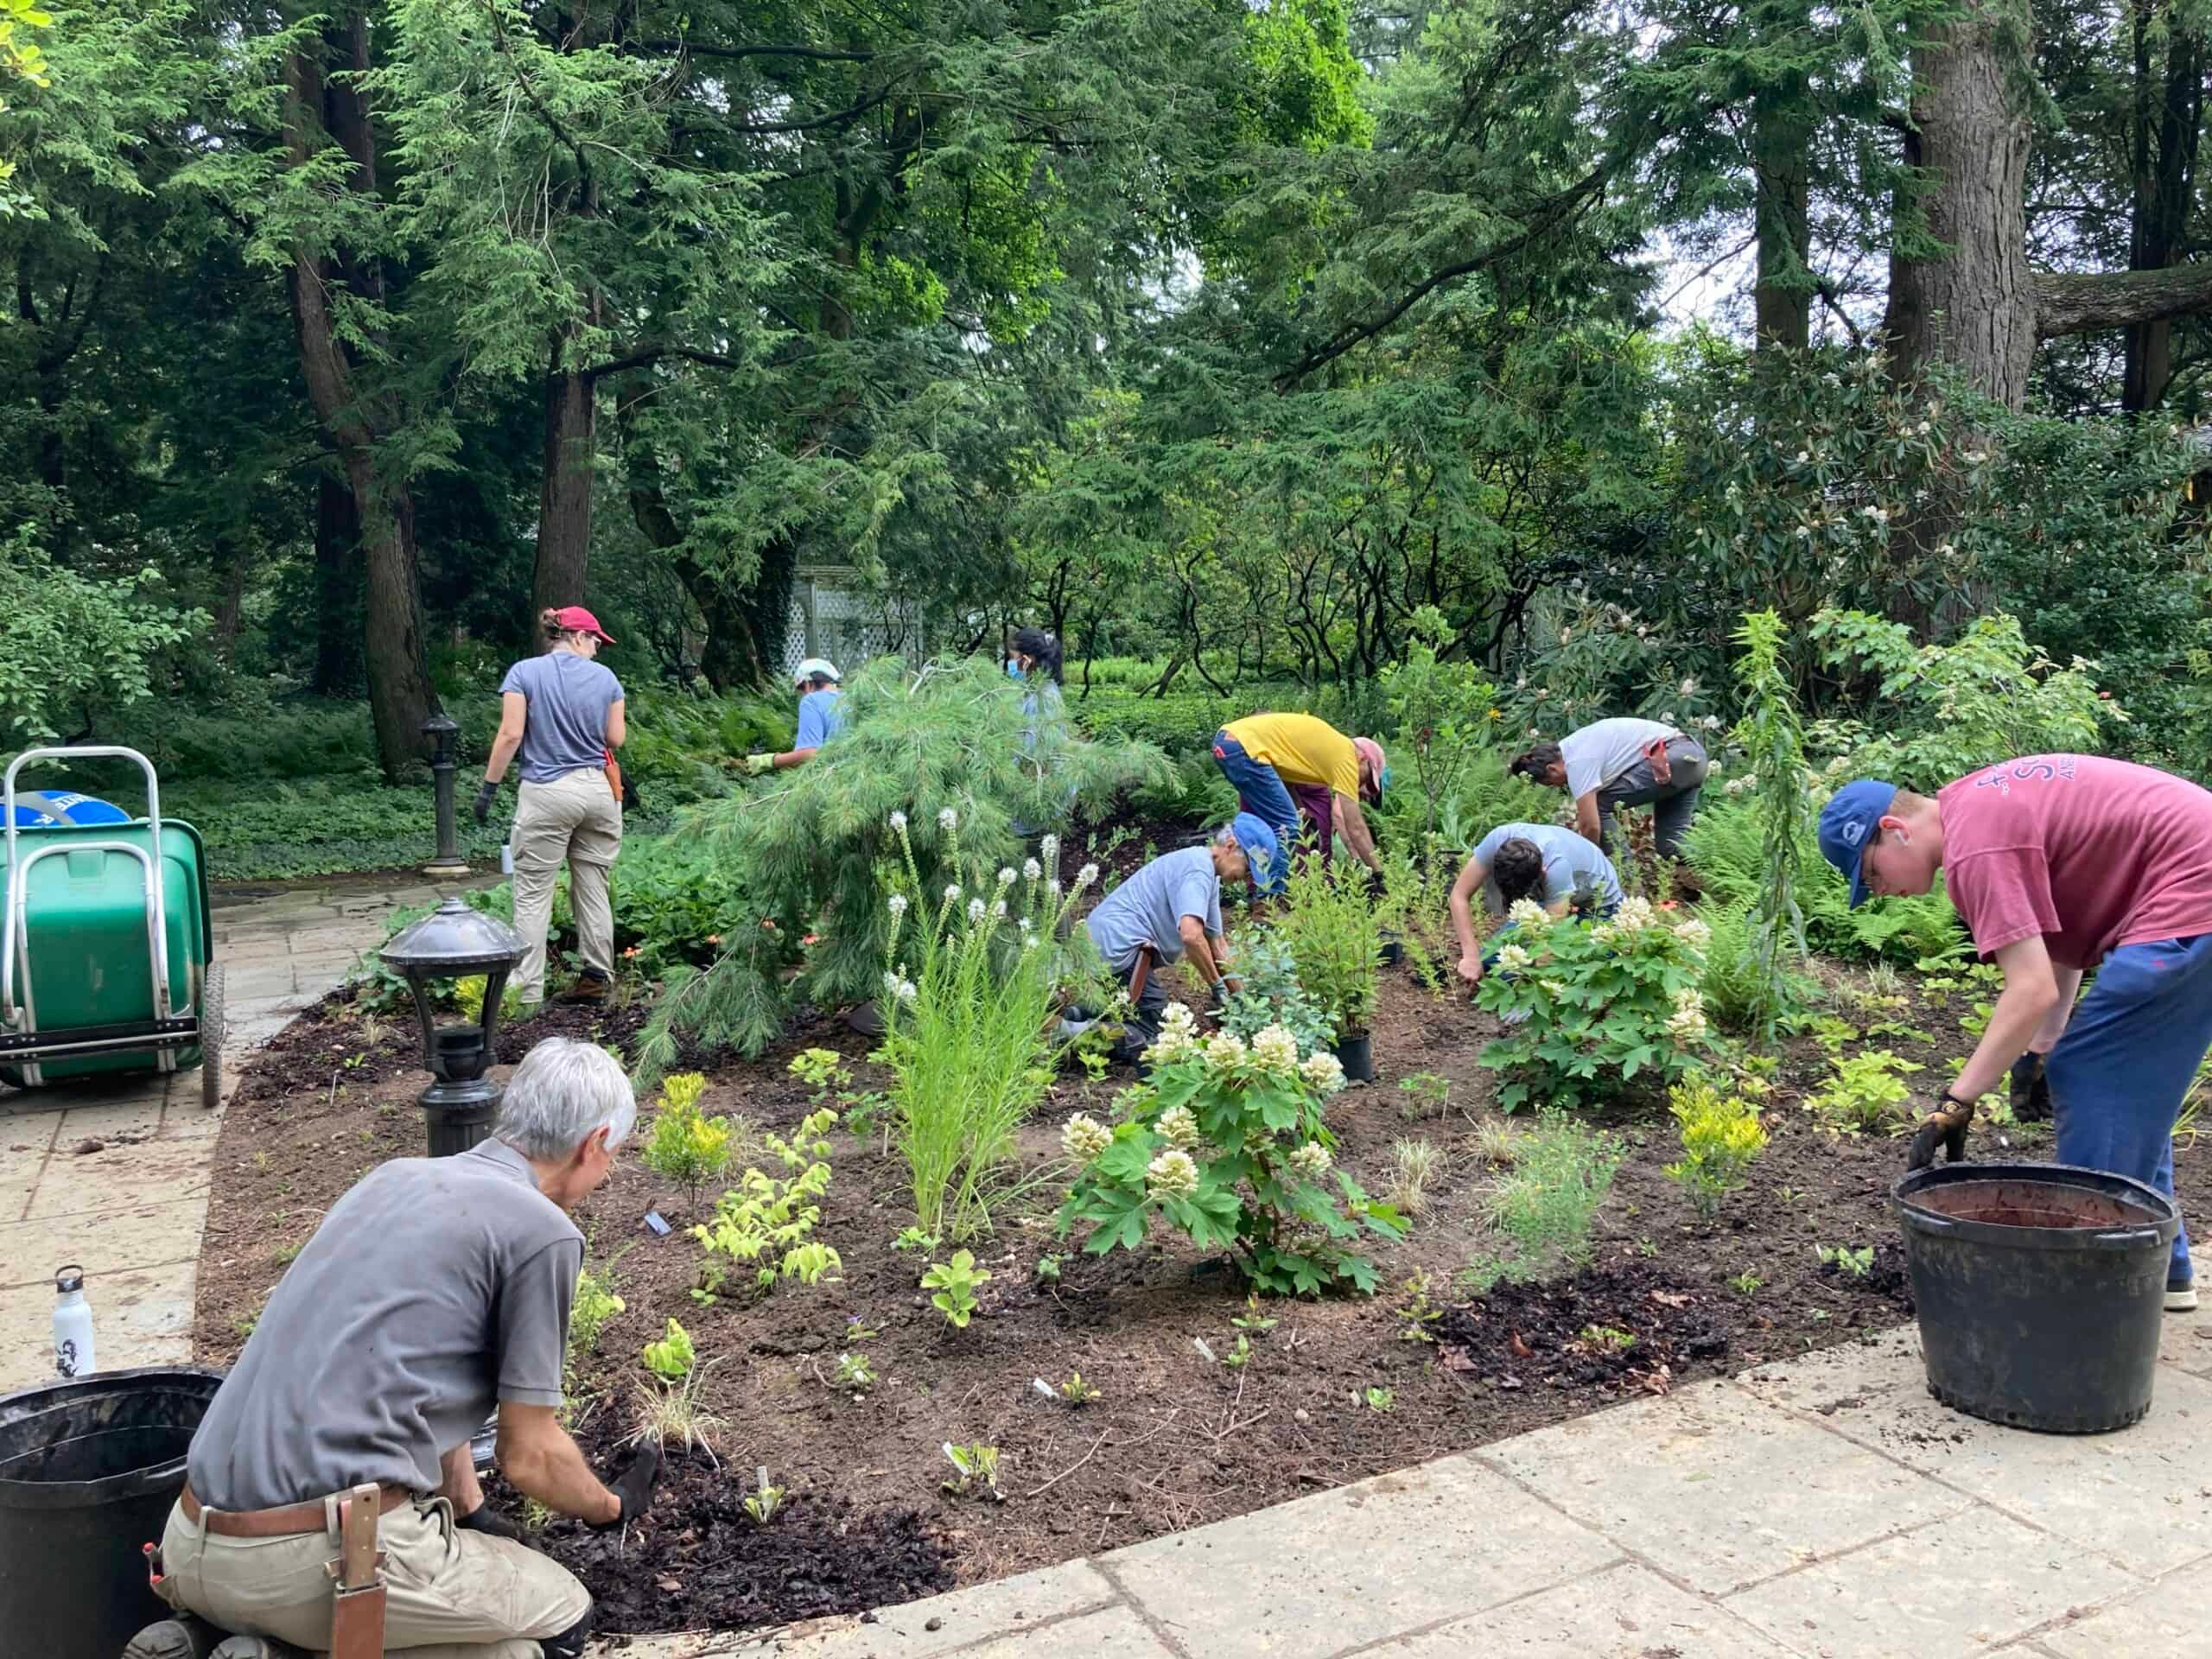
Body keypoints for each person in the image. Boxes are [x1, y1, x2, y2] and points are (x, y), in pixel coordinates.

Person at [131, 1039, 661, 1659]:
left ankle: (215, 1637)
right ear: (594, 1143)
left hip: (189, 1537)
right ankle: (286, 1652)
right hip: (313, 1558)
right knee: (554, 1623)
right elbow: (530, 1455)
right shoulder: (542, 1234)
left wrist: (471, 1509)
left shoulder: (393, 1180)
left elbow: (421, 1371)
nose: (611, 1172)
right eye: (614, 1155)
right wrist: (609, 1506)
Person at [1818, 754, 2212, 1313]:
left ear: (1894, 830)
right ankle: (2164, 1274)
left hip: (2192, 895)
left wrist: (1956, 1102)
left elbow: (2028, 991)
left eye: (1872, 875)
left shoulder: (1974, 848)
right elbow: (2059, 952)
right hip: (2190, 890)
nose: (1880, 892)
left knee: (2097, 1073)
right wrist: (2039, 1050)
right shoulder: (1978, 807)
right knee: (2124, 1083)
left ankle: (2092, 1293)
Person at [476, 607, 626, 1007]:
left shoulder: (524, 673)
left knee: (532, 892)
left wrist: (489, 788)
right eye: (596, 641)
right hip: (598, 792)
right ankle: (597, 979)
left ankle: (526, 995)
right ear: (577, 636)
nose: (598, 650)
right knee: (593, 885)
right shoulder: (607, 680)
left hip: (547, 792)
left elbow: (510, 734)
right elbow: (615, 737)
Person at [1079, 815, 1280, 1061]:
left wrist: (1243, 1000)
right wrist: (1218, 988)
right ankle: (1066, 1031)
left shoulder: (1208, 873)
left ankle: (1081, 1010)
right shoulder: (1197, 869)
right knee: (1161, 1036)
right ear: (1230, 847)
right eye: (1248, 868)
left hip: (1118, 948)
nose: (1247, 878)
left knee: (1143, 1020)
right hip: (1117, 948)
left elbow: (1217, 943)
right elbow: (1192, 936)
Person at [1211, 712, 1388, 891]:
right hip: (1245, 748)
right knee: (1287, 828)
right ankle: (1272, 898)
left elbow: (1284, 781)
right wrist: (1379, 873)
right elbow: (1355, 827)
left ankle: (1245, 879)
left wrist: (1301, 814)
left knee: (1268, 830)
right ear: (1363, 758)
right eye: (1367, 778)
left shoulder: (1324, 750)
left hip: (1229, 742)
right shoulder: (1348, 756)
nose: (1362, 784)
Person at [1448, 822, 1624, 987]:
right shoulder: (1496, 840)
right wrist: (1471, 957)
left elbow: (1551, 940)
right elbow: (1458, 896)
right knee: (1492, 964)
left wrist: (1532, 992)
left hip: (1600, 905)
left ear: (1542, 872)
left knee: (1592, 969)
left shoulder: (1557, 868)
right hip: (1554, 899)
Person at [1510, 715, 1708, 859]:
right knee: (1671, 845)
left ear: (1552, 769)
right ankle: (1723, 864)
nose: (1558, 786)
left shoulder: (1576, 761)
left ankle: (1628, 885)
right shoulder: (1576, 744)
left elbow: (1591, 825)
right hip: (1693, 758)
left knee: (1600, 804)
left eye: (1551, 783)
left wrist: (1588, 860)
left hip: (1670, 758)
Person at [746, 658, 845, 774]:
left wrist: (770, 761)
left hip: (830, 782)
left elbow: (810, 753)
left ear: (809, 683)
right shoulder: (852, 700)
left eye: (802, 688)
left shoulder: (811, 701)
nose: (803, 694)